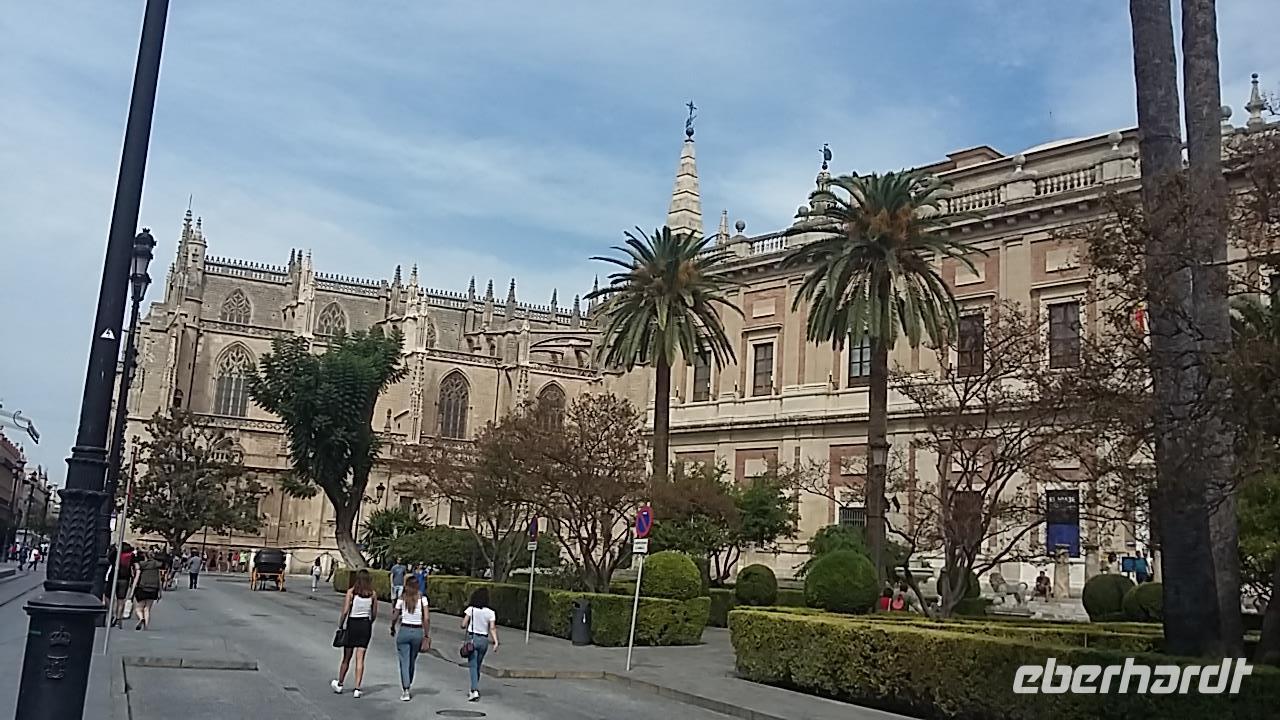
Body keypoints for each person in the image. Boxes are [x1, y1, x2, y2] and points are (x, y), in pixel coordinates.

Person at [332, 569, 377, 698]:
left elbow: (345, 611)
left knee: (347, 657)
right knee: (360, 658)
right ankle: (357, 688)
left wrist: (341, 624)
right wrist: (369, 622)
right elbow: (374, 613)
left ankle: (340, 683)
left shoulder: (352, 592)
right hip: (365, 624)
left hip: (353, 623)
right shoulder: (372, 594)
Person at [389, 576, 430, 701]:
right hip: (417, 631)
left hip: (404, 630)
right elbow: (426, 618)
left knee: (404, 661)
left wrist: (392, 626)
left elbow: (395, 615)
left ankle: (406, 689)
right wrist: (426, 634)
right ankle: (409, 682)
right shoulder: (423, 599)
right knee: (412, 660)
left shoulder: (402, 599)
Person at [461, 587, 498, 702]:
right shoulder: (490, 613)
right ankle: (475, 686)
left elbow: (463, 624)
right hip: (484, 640)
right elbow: (492, 628)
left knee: (472, 665)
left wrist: (467, 624)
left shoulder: (471, 609)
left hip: (473, 638)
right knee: (478, 664)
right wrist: (496, 641)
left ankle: (474, 689)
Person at [130, 550, 164, 630]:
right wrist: (160, 592)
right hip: (153, 589)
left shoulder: (142, 566)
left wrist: (132, 591)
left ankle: (141, 618)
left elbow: (137, 578)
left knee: (138, 608)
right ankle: (146, 626)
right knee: (147, 608)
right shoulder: (156, 566)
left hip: (142, 588)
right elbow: (159, 580)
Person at [110, 543, 135, 628]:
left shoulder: (116, 555)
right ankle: (118, 618)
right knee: (121, 600)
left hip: (114, 577)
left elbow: (109, 559)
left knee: (108, 597)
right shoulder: (130, 557)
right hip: (125, 579)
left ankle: (112, 614)